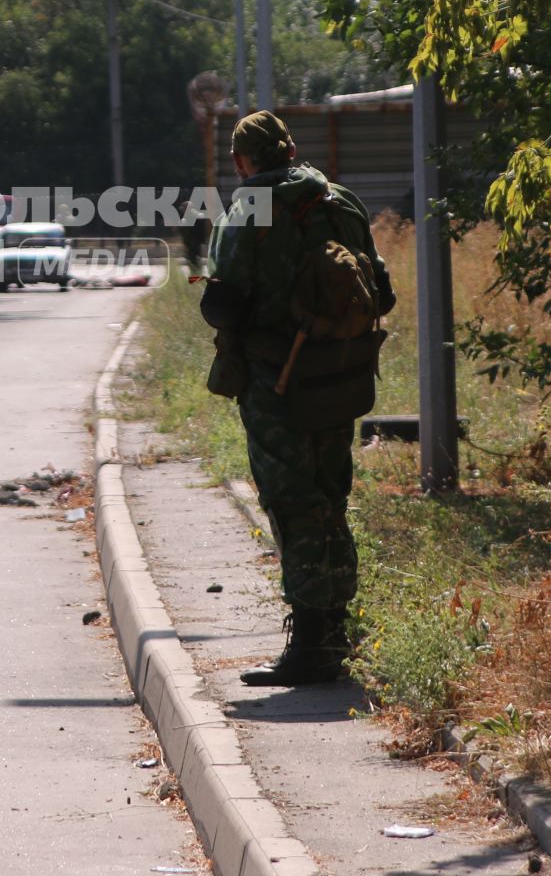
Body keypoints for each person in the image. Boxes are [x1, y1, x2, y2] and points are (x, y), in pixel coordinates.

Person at [199, 111, 396, 686]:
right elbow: (379, 292)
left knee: (292, 499)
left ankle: (311, 646)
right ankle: (335, 630)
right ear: (290, 149)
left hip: (275, 380)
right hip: (341, 372)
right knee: (331, 494)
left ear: (243, 160)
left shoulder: (247, 210)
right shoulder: (343, 201)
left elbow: (226, 306)